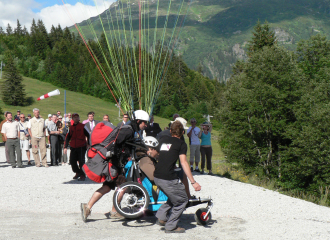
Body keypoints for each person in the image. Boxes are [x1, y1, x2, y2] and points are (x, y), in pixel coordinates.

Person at [80, 110, 149, 222]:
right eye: (144, 123)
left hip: (114, 163)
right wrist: (118, 161)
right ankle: (114, 211)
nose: (145, 125)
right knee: (123, 186)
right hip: (115, 163)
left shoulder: (128, 129)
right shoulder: (128, 131)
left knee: (107, 187)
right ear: (138, 121)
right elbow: (115, 144)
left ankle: (87, 207)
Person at [154, 121, 201, 233]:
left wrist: (164, 161)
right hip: (167, 178)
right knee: (183, 199)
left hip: (157, 176)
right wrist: (193, 182)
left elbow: (154, 154)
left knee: (175, 195)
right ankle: (171, 226)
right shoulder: (181, 144)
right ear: (183, 132)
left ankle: (161, 217)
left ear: (170, 131)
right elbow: (184, 163)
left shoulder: (163, 140)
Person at [64, 113, 89, 180]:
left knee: (81, 161)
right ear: (72, 119)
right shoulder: (71, 127)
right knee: (72, 161)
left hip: (81, 146)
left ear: (79, 118)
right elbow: (68, 137)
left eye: (77, 117)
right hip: (73, 146)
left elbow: (88, 135)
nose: (76, 118)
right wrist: (65, 147)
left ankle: (83, 174)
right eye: (75, 117)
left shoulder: (83, 126)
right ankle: (78, 172)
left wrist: (88, 143)